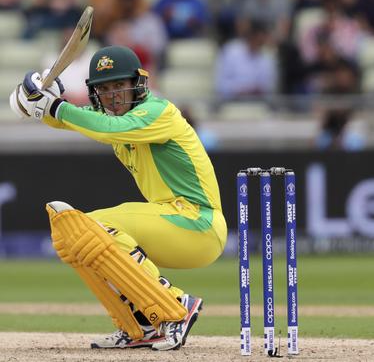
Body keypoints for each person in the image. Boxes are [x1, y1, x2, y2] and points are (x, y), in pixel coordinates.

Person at [9, 45, 227, 350]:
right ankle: (140, 324)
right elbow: (66, 118)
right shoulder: (111, 117)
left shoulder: (158, 112)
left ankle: (176, 306)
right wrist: (35, 98)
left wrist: (54, 106)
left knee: (92, 226)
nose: (112, 96)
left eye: (119, 86)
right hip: (173, 222)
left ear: (137, 84)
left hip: (198, 223)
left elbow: (108, 128)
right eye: (105, 88)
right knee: (74, 239)